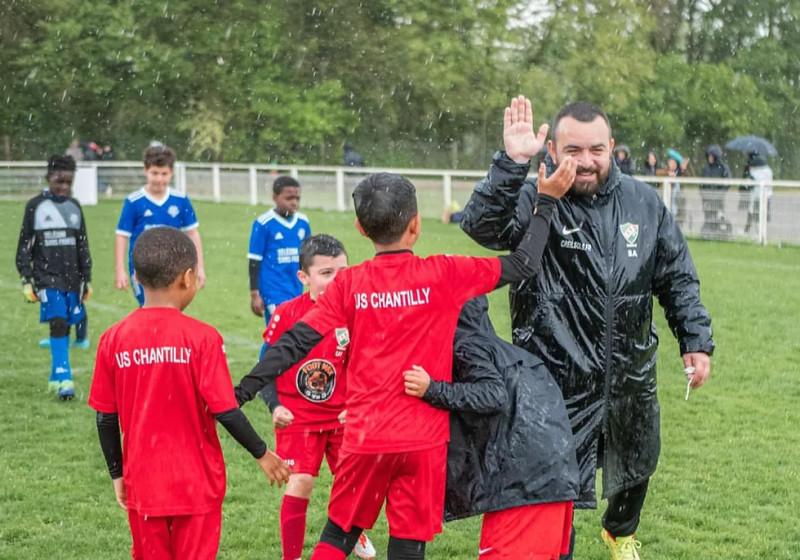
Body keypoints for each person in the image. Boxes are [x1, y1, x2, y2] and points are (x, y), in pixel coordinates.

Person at [234, 160, 577, 560]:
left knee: (339, 535)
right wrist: (547, 201)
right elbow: (523, 264)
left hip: (366, 438)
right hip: (423, 440)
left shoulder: (349, 283)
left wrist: (243, 390)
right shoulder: (444, 272)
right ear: (416, 224)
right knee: (408, 546)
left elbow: (294, 343)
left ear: (360, 230)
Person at [460, 96, 715, 560]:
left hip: (629, 370)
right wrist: (513, 162)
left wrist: (695, 340)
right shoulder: (534, 199)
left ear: (612, 146)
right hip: (555, 376)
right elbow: (479, 225)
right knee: (556, 482)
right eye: (573, 150)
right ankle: (560, 549)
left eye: (596, 149)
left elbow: (677, 276)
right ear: (552, 150)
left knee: (637, 461)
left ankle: (620, 532)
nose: (586, 161)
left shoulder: (643, 201)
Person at [88, 227, 291, 560]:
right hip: (197, 484)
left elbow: (105, 417)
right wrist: (263, 454)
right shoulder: (202, 338)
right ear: (187, 278)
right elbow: (226, 410)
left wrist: (117, 474)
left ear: (137, 277)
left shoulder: (114, 338)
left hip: (144, 482)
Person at [404, 295, 580, 560]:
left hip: (525, 484)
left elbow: (493, 395)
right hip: (554, 474)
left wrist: (433, 390)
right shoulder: (497, 348)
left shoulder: (467, 345)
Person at [257, 234, 376, 560]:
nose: (337, 280)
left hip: (341, 416)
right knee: (301, 483)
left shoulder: (355, 312)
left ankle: (355, 532)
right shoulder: (287, 314)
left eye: (342, 271)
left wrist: (356, 405)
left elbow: (364, 364)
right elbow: (265, 367)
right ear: (303, 277)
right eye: (326, 273)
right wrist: (275, 405)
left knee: (354, 483)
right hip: (298, 417)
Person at [16, 155, 92, 400]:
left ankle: (53, 378)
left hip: (72, 277)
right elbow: (24, 246)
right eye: (59, 181)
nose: (64, 187)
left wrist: (86, 277)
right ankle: (64, 379)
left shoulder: (75, 206)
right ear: (49, 177)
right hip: (46, 277)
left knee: (68, 322)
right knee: (58, 321)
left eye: (69, 182)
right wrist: (26, 278)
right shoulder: (35, 206)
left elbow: (83, 245)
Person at [115, 145, 205, 307]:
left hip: (175, 266)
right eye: (154, 173)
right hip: (143, 266)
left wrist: (199, 267)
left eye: (164, 174)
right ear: (145, 170)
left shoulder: (181, 200)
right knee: (149, 308)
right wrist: (120, 270)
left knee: (172, 308)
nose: (159, 179)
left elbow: (193, 233)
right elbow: (122, 235)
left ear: (171, 172)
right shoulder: (134, 201)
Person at [248, 175, 310, 356]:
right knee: (280, 334)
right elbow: (254, 260)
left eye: (297, 198)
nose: (294, 203)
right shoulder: (263, 224)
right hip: (273, 291)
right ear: (275, 197)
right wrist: (255, 294)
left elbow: (308, 256)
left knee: (288, 334)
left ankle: (276, 371)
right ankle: (265, 371)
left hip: (295, 288)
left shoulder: (303, 222)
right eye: (289, 198)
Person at [699, 145, 731, 237]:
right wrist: (704, 193)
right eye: (709, 156)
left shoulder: (723, 168)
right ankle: (708, 233)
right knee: (708, 216)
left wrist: (720, 193)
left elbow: (727, 182)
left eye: (711, 156)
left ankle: (718, 233)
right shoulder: (706, 168)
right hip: (707, 198)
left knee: (718, 215)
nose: (710, 158)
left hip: (718, 198)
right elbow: (702, 184)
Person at [743, 153, 773, 234]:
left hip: (758, 197)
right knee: (760, 216)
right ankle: (758, 233)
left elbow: (749, 183)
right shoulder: (768, 171)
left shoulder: (756, 172)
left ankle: (759, 234)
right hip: (766, 196)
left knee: (756, 215)